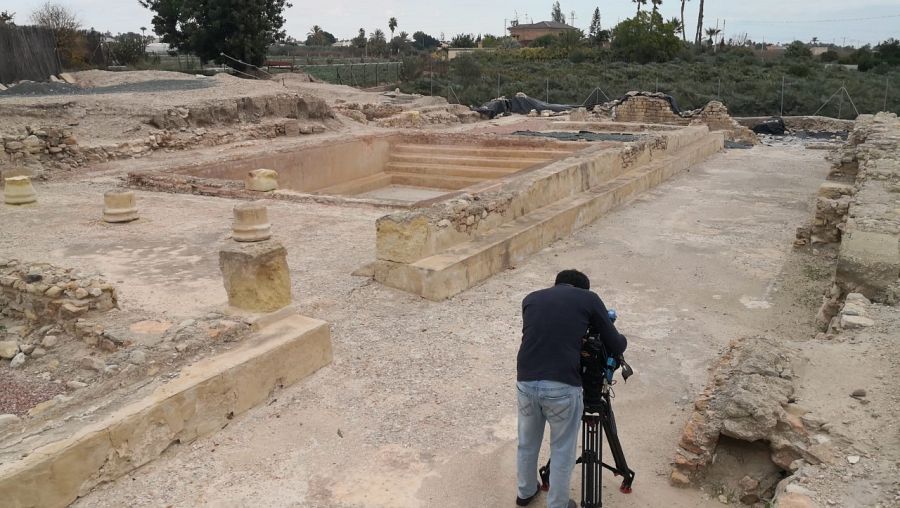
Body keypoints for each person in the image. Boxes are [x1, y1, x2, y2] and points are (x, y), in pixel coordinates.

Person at [515, 269, 627, 508]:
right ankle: (558, 504)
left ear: (557, 284)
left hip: (525, 382)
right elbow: (616, 344)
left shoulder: (531, 298)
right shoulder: (588, 298)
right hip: (562, 386)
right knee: (563, 448)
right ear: (581, 289)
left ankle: (525, 492)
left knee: (527, 441)